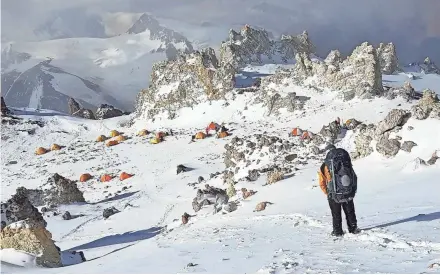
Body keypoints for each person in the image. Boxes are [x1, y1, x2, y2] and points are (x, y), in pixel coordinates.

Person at [318, 145, 359, 236]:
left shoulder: (324, 166)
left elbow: (322, 182)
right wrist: (353, 189)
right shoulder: (345, 162)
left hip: (333, 193)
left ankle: (337, 232)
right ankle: (353, 228)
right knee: (350, 211)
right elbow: (353, 176)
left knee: (336, 214)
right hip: (347, 190)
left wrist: (328, 192)